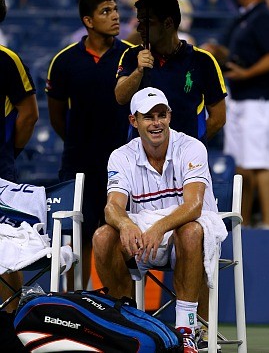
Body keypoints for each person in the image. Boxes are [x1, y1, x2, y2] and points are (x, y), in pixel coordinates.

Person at [92, 87, 227, 353]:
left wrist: (160, 227)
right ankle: (123, 324)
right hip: (145, 240)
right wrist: (127, 224)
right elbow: (113, 207)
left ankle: (186, 329)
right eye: (148, 117)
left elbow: (194, 205)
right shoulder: (121, 156)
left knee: (188, 230)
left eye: (161, 115)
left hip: (191, 238)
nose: (156, 123)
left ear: (169, 117)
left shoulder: (192, 147)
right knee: (103, 236)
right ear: (134, 121)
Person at [45, 0, 135, 288]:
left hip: (121, 165)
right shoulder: (64, 61)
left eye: (115, 10)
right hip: (78, 162)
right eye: (106, 11)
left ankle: (117, 305)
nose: (115, 16)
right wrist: (76, 141)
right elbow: (57, 115)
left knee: (116, 235)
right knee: (74, 238)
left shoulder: (130, 57)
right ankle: (73, 300)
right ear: (88, 20)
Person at [201, 0, 269, 229]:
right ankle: (244, 225)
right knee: (242, 167)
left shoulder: (263, 16)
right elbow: (245, 54)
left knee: (260, 164)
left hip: (259, 99)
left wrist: (247, 74)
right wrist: (221, 53)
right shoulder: (247, 16)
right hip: (242, 98)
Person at [115, 0, 227, 145]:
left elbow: (218, 118)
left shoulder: (203, 60)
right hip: (141, 157)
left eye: (146, 21)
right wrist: (139, 71)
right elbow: (121, 97)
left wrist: (190, 148)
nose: (139, 28)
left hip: (186, 161)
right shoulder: (132, 55)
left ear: (168, 23)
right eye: (138, 21)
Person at [0, 0, 39, 312]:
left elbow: (30, 113)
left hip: (1, 164)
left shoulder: (7, 60)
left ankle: (11, 317)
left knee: (8, 244)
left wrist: (8, 150)